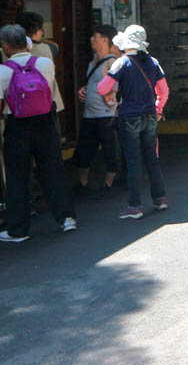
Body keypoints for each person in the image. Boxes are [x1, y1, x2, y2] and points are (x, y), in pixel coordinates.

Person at [0, 24, 77, 241]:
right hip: (45, 123)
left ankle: (18, 229)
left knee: (18, 177)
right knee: (53, 170)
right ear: (26, 42)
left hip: (18, 127)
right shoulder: (45, 64)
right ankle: (66, 218)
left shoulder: (1, 71)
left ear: (5, 45)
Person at [97, 25, 170, 219]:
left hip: (129, 117)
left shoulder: (121, 63)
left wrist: (107, 76)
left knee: (134, 162)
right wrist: (158, 108)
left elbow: (103, 89)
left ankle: (134, 206)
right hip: (150, 116)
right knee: (152, 159)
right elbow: (164, 91)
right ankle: (160, 198)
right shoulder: (153, 62)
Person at [73, 24, 121, 199]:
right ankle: (83, 184)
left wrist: (112, 99)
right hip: (89, 115)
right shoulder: (92, 63)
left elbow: (117, 87)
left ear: (105, 39)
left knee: (110, 151)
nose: (91, 39)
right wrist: (84, 89)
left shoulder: (113, 63)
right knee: (83, 151)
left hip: (107, 115)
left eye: (95, 36)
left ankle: (108, 184)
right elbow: (93, 84)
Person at [17, 10, 66, 120]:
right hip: (45, 105)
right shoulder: (46, 48)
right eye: (41, 29)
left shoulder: (9, 51)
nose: (43, 33)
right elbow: (55, 46)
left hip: (20, 106)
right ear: (35, 31)